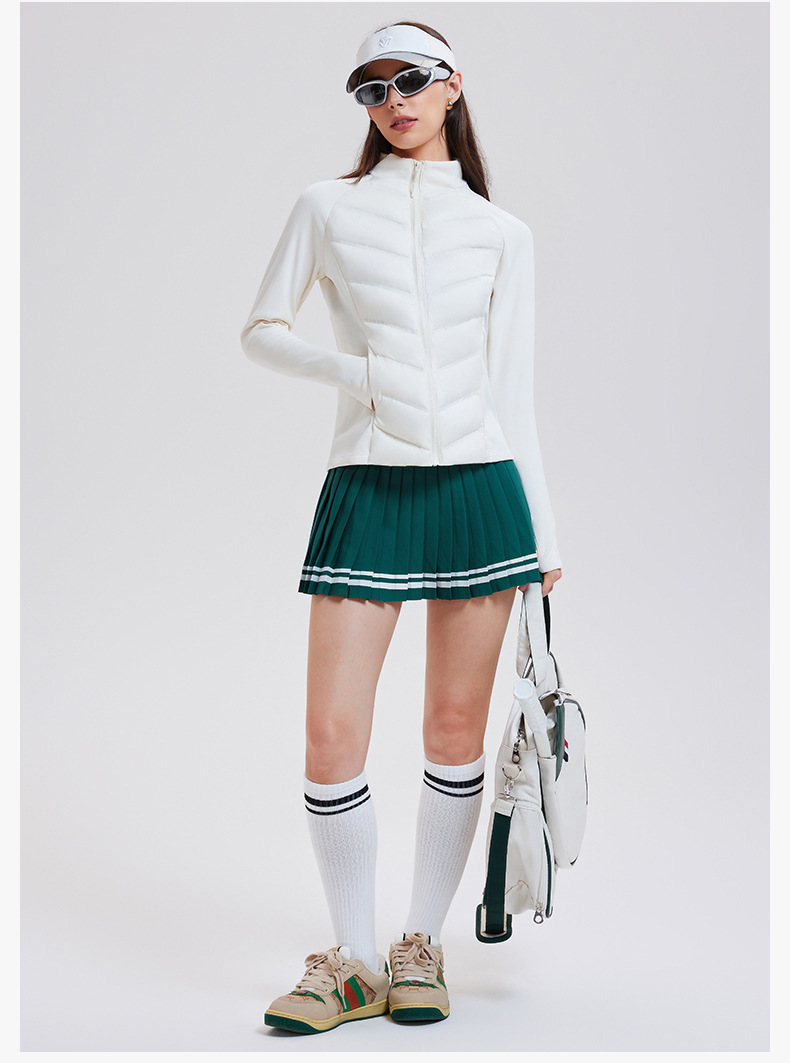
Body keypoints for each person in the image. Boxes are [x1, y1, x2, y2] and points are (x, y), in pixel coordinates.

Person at [240, 20, 563, 1035]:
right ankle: (352, 959)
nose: (393, 101)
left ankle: (421, 943)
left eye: (411, 80)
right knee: (332, 733)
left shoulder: (502, 233)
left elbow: (513, 394)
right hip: (367, 483)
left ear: (453, 85)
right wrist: (362, 374)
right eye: (371, 88)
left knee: (453, 731)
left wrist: (546, 541)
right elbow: (261, 330)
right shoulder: (327, 207)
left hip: (482, 491)